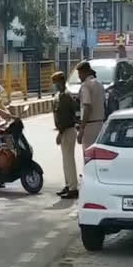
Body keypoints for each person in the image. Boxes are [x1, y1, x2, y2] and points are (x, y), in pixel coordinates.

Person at [52, 71, 79, 199]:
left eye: (56, 83)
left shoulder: (66, 96)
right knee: (65, 161)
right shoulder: (60, 96)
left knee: (69, 161)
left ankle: (73, 188)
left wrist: (60, 133)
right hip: (64, 131)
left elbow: (66, 117)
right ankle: (68, 185)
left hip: (67, 131)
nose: (55, 85)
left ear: (61, 82)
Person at [76, 61, 106, 151]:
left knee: (89, 156)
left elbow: (87, 107)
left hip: (89, 127)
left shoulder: (85, 86)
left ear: (84, 72)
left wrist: (81, 129)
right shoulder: (100, 84)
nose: (79, 76)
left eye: (79, 73)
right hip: (100, 125)